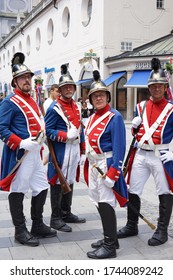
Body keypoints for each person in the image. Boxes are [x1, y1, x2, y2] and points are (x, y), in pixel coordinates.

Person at [0, 52, 56, 247]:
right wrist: (21, 142)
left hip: (35, 152)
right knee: (18, 190)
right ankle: (20, 230)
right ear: (15, 82)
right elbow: (1, 128)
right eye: (23, 78)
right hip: (20, 154)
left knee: (42, 186)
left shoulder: (32, 100)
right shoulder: (9, 102)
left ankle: (38, 224)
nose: (27, 81)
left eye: (29, 77)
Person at [117, 57, 173, 246]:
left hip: (160, 155)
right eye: (153, 86)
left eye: (160, 85)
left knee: (164, 191)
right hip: (140, 153)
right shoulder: (140, 107)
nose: (156, 88)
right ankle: (132, 225)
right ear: (148, 88)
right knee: (133, 188)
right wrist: (134, 127)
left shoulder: (171, 109)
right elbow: (137, 132)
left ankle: (162, 230)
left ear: (165, 88)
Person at [84, 70, 127, 259]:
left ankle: (110, 246)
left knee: (106, 202)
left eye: (101, 95)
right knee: (97, 200)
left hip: (106, 164)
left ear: (107, 97)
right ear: (91, 99)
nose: (98, 98)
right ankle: (110, 237)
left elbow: (119, 148)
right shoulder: (92, 117)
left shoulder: (115, 116)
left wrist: (113, 173)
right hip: (94, 164)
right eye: (95, 95)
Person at [45, 64, 86, 233]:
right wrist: (64, 135)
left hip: (74, 150)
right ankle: (55, 218)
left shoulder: (76, 106)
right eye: (65, 87)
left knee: (69, 180)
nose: (69, 89)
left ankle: (66, 212)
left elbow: (80, 129)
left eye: (71, 86)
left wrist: (83, 150)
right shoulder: (54, 108)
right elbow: (47, 131)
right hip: (60, 150)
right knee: (57, 180)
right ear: (60, 90)